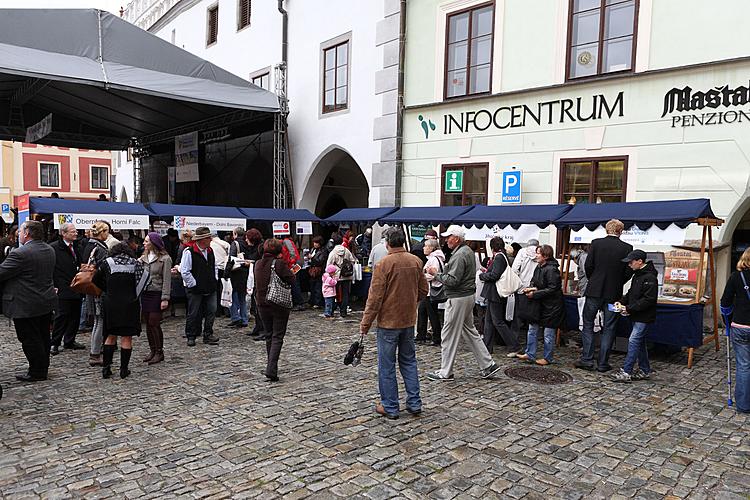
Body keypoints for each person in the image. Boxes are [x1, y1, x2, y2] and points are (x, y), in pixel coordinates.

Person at [360, 228, 428, 419]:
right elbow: (424, 290)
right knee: (408, 362)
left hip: (389, 322)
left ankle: (390, 406)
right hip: (408, 320)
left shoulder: (383, 264)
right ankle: (414, 403)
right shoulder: (415, 261)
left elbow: (374, 298)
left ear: (387, 243)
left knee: (387, 365)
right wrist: (410, 301)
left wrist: (365, 323)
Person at [425, 225, 501, 381]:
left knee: (448, 335)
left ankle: (446, 372)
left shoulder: (460, 254)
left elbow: (452, 281)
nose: (446, 240)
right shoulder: (467, 251)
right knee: (470, 332)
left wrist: (436, 274)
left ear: (457, 238)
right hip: (467, 296)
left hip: (458, 298)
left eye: (449, 237)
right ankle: (488, 365)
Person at [0, 220, 56, 382]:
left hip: (26, 304)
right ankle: (43, 366)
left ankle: (37, 371)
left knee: (30, 338)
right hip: (44, 301)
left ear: (27, 233)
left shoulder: (21, 253)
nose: (19, 234)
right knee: (43, 335)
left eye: (22, 231)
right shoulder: (49, 249)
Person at [575, 219, 633, 373]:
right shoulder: (627, 248)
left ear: (607, 230)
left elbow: (589, 266)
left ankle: (587, 359)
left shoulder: (596, 243)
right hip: (613, 294)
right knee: (609, 327)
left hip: (594, 291)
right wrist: (618, 282)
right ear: (620, 231)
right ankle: (602, 363)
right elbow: (628, 271)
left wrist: (594, 280)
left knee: (588, 324)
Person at [94, 243, 149, 379]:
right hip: (129, 304)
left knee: (110, 335)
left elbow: (95, 279)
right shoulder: (135, 263)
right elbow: (145, 279)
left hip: (111, 303)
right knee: (126, 337)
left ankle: (106, 369)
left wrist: (107, 289)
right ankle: (124, 370)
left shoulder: (106, 263)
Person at [611, 250, 658, 383]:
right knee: (640, 343)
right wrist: (622, 301)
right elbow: (632, 293)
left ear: (640, 261)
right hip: (637, 315)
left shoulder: (649, 277)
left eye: (631, 262)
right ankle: (645, 369)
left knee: (633, 341)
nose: (629, 265)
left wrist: (628, 308)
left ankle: (627, 371)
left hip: (643, 317)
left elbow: (648, 300)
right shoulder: (638, 275)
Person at [254, 238, 295, 382]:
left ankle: (271, 366)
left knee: (269, 335)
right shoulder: (279, 263)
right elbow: (291, 280)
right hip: (278, 304)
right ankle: (271, 369)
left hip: (262, 304)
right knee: (277, 336)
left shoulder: (258, 263)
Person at [517, 245, 565, 366]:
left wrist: (535, 294)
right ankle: (530, 353)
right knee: (532, 329)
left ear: (546, 255)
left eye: (538, 253)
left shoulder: (552, 269)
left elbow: (553, 288)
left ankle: (548, 358)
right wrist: (530, 288)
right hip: (540, 305)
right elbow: (538, 283)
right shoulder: (539, 267)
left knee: (548, 334)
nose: (536, 255)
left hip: (552, 307)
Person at [720, 247, 750, 413]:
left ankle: (744, 405)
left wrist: (727, 321)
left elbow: (725, 302)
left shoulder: (736, 277)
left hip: (740, 325)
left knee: (744, 366)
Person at [180, 227, 220, 347]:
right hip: (196, 289)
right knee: (194, 313)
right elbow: (185, 271)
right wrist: (194, 284)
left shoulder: (210, 251)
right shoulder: (189, 252)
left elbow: (214, 266)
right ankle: (191, 335)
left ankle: (208, 334)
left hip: (210, 286)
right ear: (203, 239)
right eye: (209, 238)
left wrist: (215, 278)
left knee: (211, 311)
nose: (211, 240)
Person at [479, 237, 519, 357]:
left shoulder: (499, 257)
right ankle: (487, 347)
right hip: (494, 293)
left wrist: (483, 275)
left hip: (495, 293)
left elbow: (495, 275)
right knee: (489, 321)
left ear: (492, 247)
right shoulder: (502, 256)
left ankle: (514, 345)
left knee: (497, 321)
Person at [50, 223, 85, 355]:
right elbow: (51, 268)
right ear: (64, 233)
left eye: (75, 231)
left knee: (75, 315)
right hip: (62, 286)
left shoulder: (77, 246)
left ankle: (70, 340)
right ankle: (55, 342)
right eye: (73, 232)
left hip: (76, 285)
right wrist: (53, 284)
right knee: (62, 315)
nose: (76, 233)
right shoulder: (54, 248)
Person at [139, 232, 172, 365]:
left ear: (153, 243)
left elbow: (167, 280)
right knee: (148, 322)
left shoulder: (165, 258)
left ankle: (159, 351)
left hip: (157, 293)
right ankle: (152, 350)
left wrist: (165, 298)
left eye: (146, 241)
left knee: (154, 322)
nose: (144, 243)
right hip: (145, 292)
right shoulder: (144, 257)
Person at [83, 222, 111, 366]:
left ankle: (96, 350)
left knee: (96, 321)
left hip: (89, 287)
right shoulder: (100, 248)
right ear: (102, 232)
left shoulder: (88, 245)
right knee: (99, 321)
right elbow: (103, 271)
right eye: (107, 232)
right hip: (97, 289)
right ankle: (95, 353)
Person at [421, 238, 445, 346]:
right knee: (423, 311)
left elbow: (433, 275)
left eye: (426, 246)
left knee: (432, 314)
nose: (424, 248)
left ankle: (436, 338)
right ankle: (421, 335)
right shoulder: (433, 258)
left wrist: (422, 276)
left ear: (431, 248)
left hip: (431, 290)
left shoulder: (434, 259)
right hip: (429, 290)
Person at [327, 233, 357, 317]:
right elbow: (352, 260)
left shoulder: (333, 252)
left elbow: (329, 265)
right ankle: (343, 311)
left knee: (334, 293)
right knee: (345, 293)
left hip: (336, 276)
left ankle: (332, 309)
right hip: (347, 275)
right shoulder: (346, 251)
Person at [244, 229, 266, 339]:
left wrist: (250, 263)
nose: (246, 239)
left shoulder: (260, 248)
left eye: (247, 237)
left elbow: (259, 261)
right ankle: (258, 327)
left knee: (260, 305)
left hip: (260, 279)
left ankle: (263, 330)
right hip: (255, 278)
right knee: (256, 304)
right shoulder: (254, 247)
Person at [228, 227, 250, 328]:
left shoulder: (235, 244)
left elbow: (232, 258)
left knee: (232, 295)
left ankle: (236, 317)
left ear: (235, 234)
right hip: (245, 272)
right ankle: (244, 319)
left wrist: (226, 272)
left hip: (236, 273)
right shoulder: (247, 243)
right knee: (242, 297)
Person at [281, 236, 304, 310]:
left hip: (294, 265)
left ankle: (299, 303)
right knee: (295, 283)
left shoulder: (286, 241)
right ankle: (298, 302)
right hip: (295, 264)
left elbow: (292, 254)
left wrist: (291, 263)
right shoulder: (289, 241)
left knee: (294, 283)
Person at [211, 232, 231, 318]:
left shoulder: (210, 245)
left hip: (215, 269)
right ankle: (227, 311)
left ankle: (217, 311)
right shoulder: (226, 244)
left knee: (216, 290)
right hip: (225, 269)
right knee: (226, 289)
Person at [307, 236, 328, 308]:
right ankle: (312, 301)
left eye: (316, 243)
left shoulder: (323, 251)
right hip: (312, 270)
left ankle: (318, 302)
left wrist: (312, 258)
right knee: (312, 286)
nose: (315, 244)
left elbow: (320, 261)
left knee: (318, 287)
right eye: (314, 242)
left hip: (319, 271)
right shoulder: (313, 249)